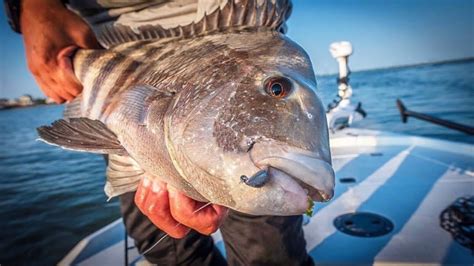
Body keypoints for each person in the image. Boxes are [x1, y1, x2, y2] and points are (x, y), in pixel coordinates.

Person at [5, 0, 314, 265]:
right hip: (106, 52)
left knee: (271, 251)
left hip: (247, 49)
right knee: (168, 249)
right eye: (276, 89)